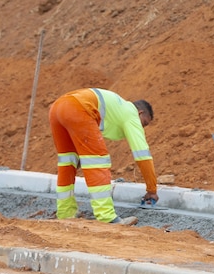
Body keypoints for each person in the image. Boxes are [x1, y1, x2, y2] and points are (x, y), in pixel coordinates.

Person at [48, 88, 159, 225]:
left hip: (58, 108)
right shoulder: (131, 114)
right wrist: (152, 190)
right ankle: (107, 217)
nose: (142, 128)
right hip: (78, 107)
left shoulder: (118, 107)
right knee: (98, 161)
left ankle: (65, 213)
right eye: (144, 123)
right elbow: (143, 155)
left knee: (67, 162)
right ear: (140, 113)